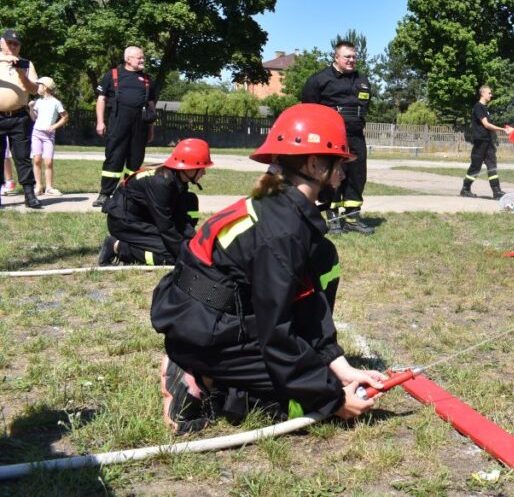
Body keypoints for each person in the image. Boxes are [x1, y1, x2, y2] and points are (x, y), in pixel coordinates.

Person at [150, 104, 385, 434]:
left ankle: (208, 367)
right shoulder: (282, 231)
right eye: (339, 163)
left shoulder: (280, 207)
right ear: (315, 164)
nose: (343, 173)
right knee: (288, 400)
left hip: (202, 317)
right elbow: (277, 331)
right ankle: (196, 376)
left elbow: (304, 299)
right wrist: (333, 398)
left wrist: (340, 368)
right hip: (203, 331)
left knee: (314, 373)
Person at [98, 138, 212, 267]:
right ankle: (117, 246)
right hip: (123, 223)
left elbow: (177, 219)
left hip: (142, 219)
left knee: (189, 200)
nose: (204, 172)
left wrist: (193, 243)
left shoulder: (176, 178)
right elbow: (166, 227)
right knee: (171, 256)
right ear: (189, 167)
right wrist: (185, 254)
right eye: (201, 167)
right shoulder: (162, 183)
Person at [301, 40, 374, 235]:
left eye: (354, 57)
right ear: (336, 57)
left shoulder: (363, 80)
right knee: (332, 176)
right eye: (347, 57)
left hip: (356, 136)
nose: (351, 60)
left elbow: (366, 106)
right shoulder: (319, 79)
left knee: (357, 176)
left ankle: (352, 218)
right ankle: (332, 218)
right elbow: (308, 108)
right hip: (330, 137)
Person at [94, 46, 157, 208]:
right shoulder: (112, 75)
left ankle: (130, 192)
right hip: (118, 122)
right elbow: (101, 100)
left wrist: (151, 127)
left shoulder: (148, 79)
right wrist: (100, 122)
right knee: (114, 157)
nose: (143, 60)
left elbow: (151, 105)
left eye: (143, 58)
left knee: (135, 159)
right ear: (128, 59)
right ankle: (105, 194)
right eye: (139, 58)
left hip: (140, 125)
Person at [0, 29, 43, 209]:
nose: (12, 46)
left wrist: (20, 72)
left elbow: (34, 90)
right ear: (1, 43)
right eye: (9, 43)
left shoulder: (26, 64)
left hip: (19, 117)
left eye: (16, 44)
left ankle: (29, 194)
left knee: (22, 157)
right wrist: (4, 59)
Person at [460, 85, 512, 199]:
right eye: (489, 93)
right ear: (482, 93)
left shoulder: (485, 109)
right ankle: (465, 189)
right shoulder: (478, 107)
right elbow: (486, 125)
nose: (491, 95)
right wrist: (503, 130)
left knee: (492, 165)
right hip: (480, 142)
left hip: (488, 141)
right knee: (475, 167)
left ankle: (496, 191)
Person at [29, 77, 69, 196]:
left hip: (48, 136)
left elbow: (65, 117)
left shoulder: (56, 102)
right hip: (36, 133)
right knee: (36, 160)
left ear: (45, 87)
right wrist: (31, 108)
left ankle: (49, 188)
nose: (37, 88)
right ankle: (38, 186)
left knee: (48, 162)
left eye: (39, 85)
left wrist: (54, 126)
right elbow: (33, 118)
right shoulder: (38, 102)